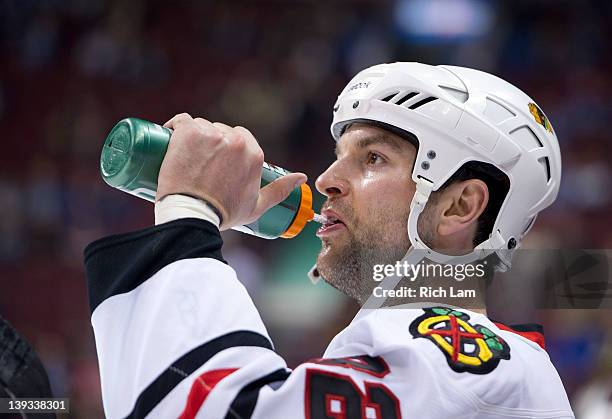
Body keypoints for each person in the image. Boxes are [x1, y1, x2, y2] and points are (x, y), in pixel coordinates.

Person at [84, 62, 575, 418]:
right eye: (338, 155)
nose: (325, 180)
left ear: (459, 206)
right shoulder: (461, 370)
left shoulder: (469, 365)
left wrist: (188, 211)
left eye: (373, 159)